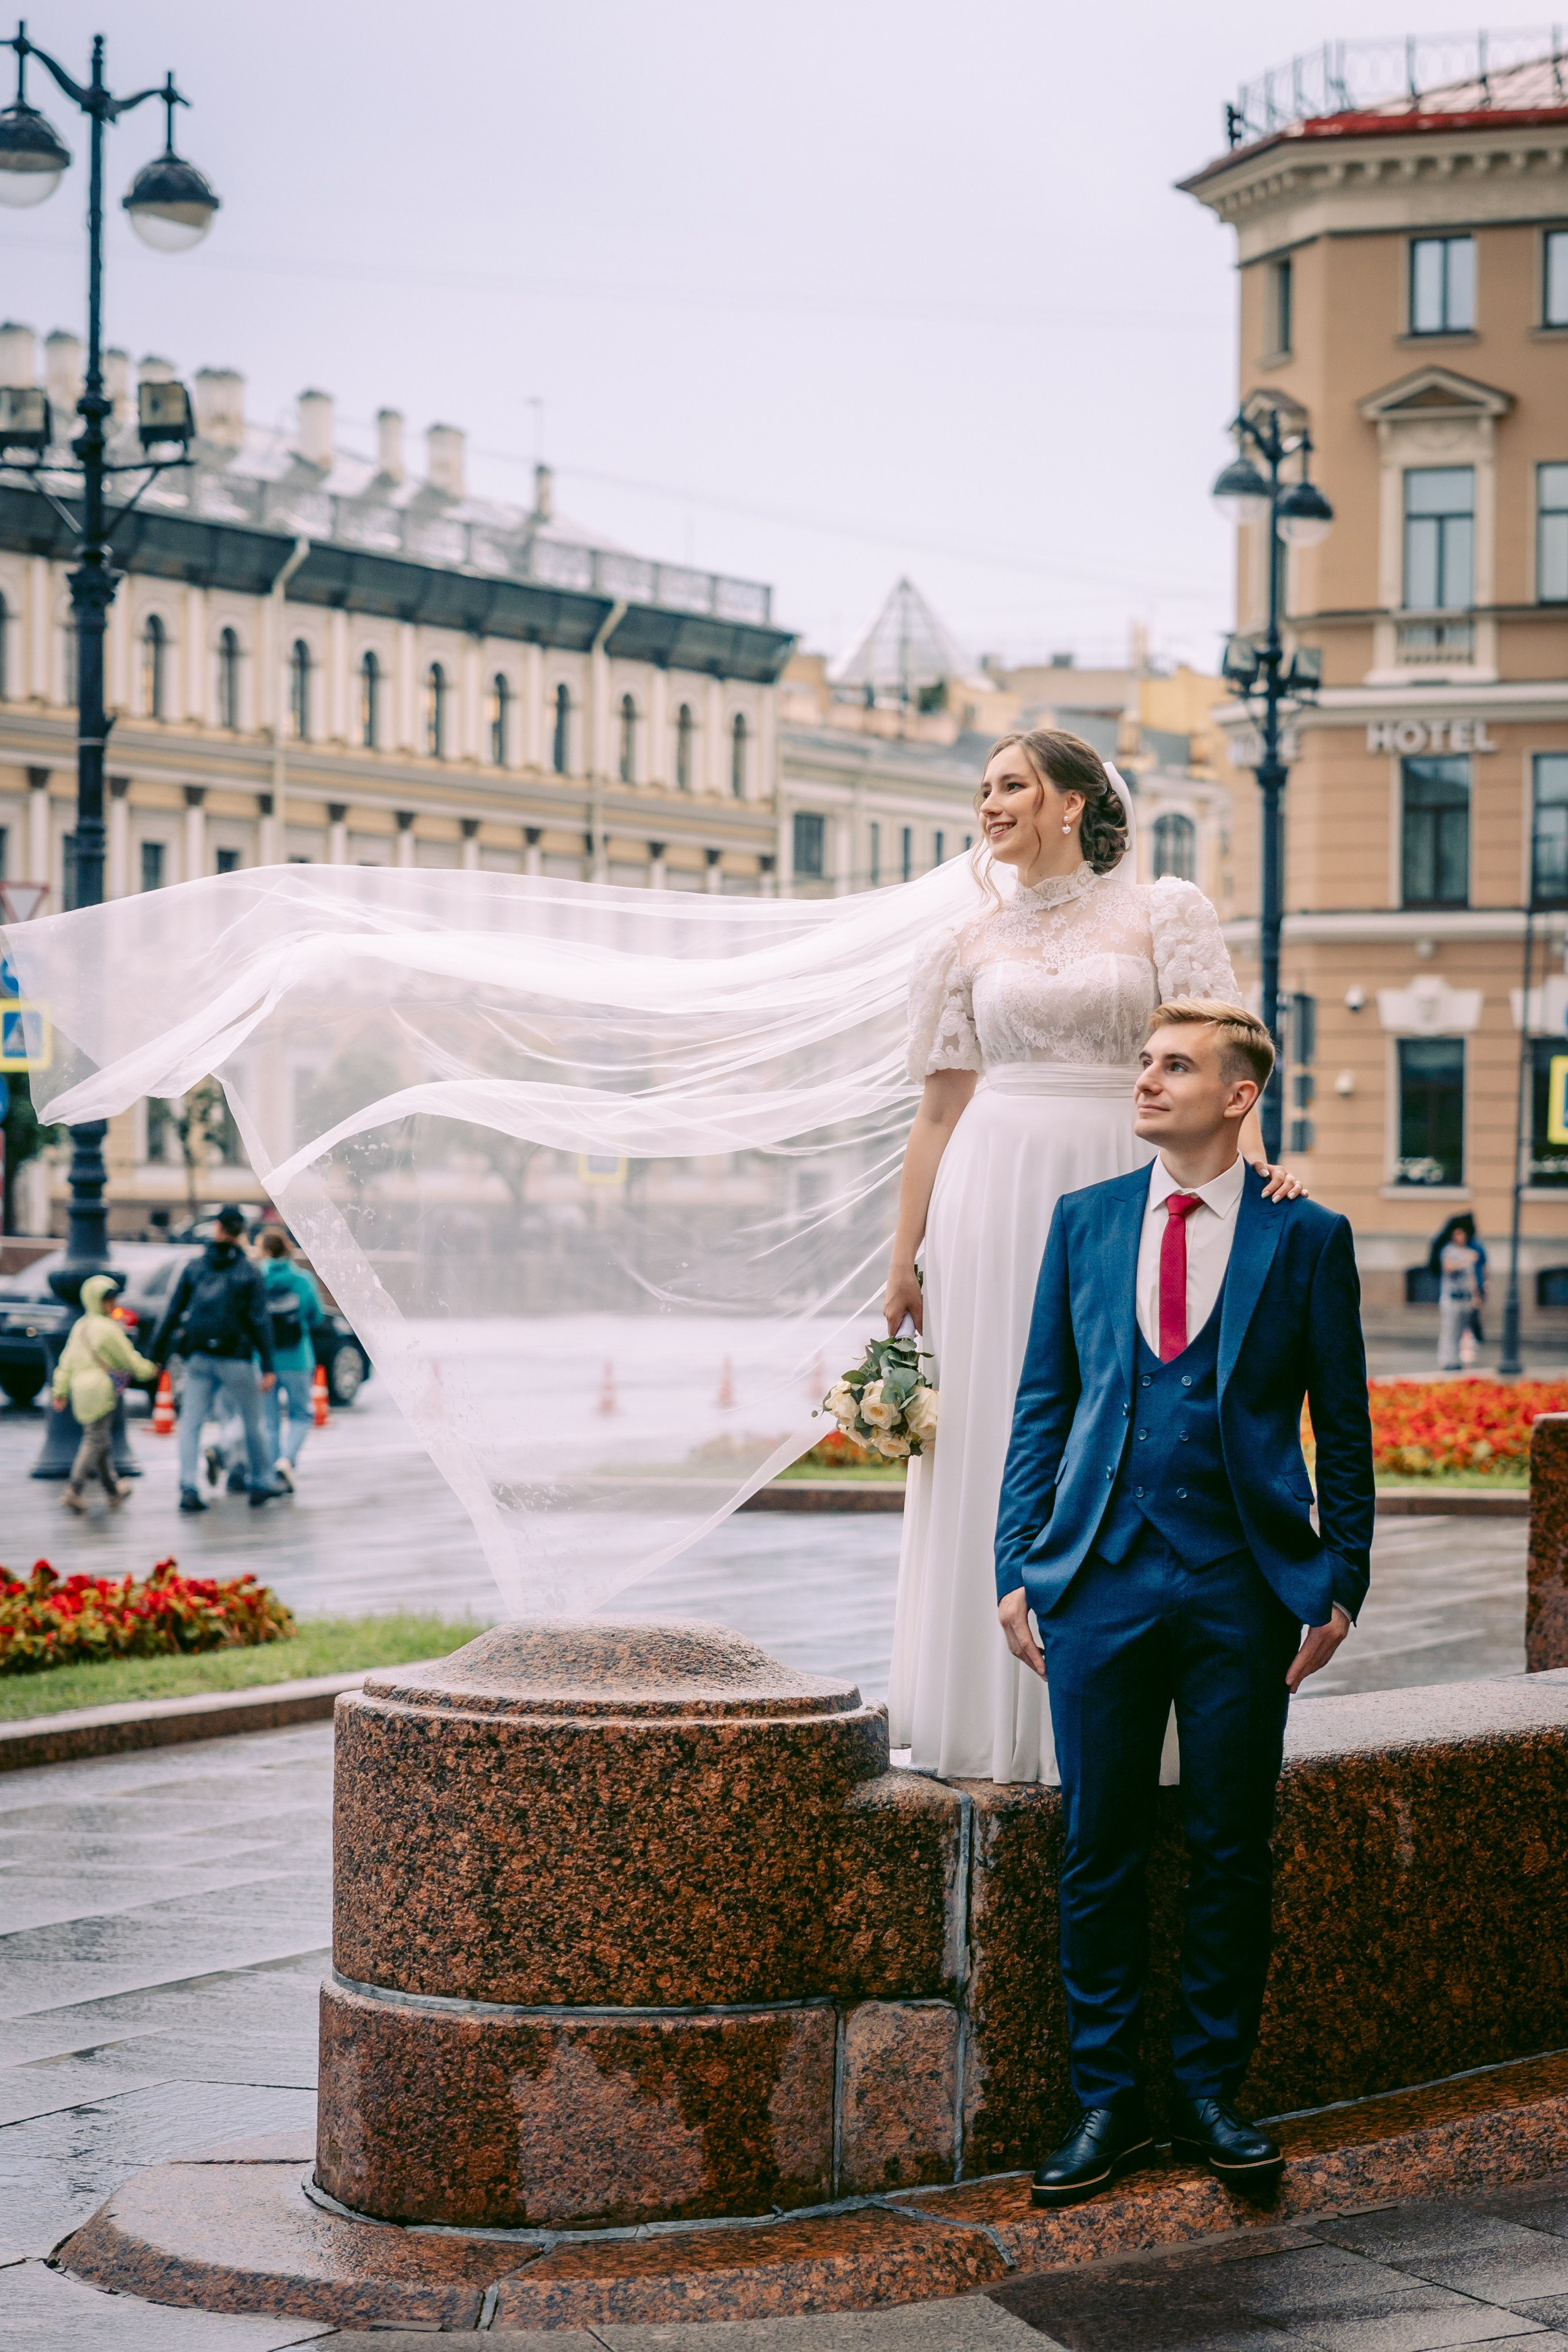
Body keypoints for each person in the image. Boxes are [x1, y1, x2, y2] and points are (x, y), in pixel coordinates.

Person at [995, 999, 1374, 2206]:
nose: (1146, 1081)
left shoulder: (1303, 1234)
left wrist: (1342, 1584)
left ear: (1238, 1096)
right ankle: (1102, 2103)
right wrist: (1017, 1562)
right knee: (1096, 1844)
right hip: (1098, 1577)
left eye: (1174, 1067)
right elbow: (1042, 1402)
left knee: (1227, 1847)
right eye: (1145, 1063)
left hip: (1238, 1585)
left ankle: (1210, 2092)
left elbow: (1344, 1424)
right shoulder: (1086, 1222)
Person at [885, 729, 1303, 1784]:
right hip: (989, 1193)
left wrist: (1248, 1186)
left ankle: (1132, 1704)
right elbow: (937, 1113)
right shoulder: (962, 940)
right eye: (982, 787)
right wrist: (904, 1259)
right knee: (997, 1422)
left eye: (1012, 784)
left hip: (1129, 1179)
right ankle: (985, 1708)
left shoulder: (1163, 911)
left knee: (1128, 1411)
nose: (990, 804)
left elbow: (1217, 1056)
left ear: (1074, 801)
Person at [149, 1205, 284, 1513]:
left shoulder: (195, 1267)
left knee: (190, 1424)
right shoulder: (249, 1272)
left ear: (218, 1229)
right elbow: (260, 1322)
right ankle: (261, 1481)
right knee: (253, 1422)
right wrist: (268, 1366)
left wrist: (156, 1356)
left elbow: (172, 1312)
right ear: (241, 1234)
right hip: (237, 1359)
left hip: (198, 1358)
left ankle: (188, 1486)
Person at [51, 1273, 156, 1514]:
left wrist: (60, 1390)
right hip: (100, 1390)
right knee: (95, 1439)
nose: (114, 1305)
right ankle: (74, 1490)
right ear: (99, 1301)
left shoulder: (80, 1327)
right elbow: (127, 1358)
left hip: (80, 1389)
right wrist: (149, 1371)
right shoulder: (108, 1329)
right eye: (110, 1300)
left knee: (100, 1440)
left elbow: (66, 1362)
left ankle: (112, 1490)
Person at [257, 1227, 323, 1488]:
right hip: (298, 1358)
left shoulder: (257, 1278)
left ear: (266, 1251)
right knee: (300, 1415)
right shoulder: (303, 1280)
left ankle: (274, 1472)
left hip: (265, 1361)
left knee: (270, 1420)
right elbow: (316, 1316)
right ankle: (287, 1460)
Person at [1430, 1213, 1485, 1372]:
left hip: (1465, 1298)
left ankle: (1457, 1360)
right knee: (1449, 1331)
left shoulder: (1468, 1251)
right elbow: (1448, 1267)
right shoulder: (1448, 1250)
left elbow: (1472, 1277)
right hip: (1451, 1298)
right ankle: (1447, 1361)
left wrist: (1476, 1296)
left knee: (1462, 1333)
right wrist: (1466, 1261)